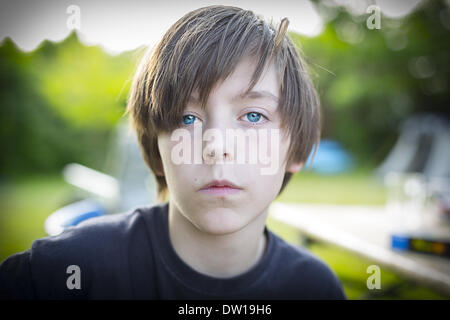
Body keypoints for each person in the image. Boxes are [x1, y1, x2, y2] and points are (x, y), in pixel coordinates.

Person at [0, 5, 346, 300]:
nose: (217, 147)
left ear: (297, 150)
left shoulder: (315, 288)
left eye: (253, 116)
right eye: (187, 118)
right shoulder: (64, 272)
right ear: (157, 150)